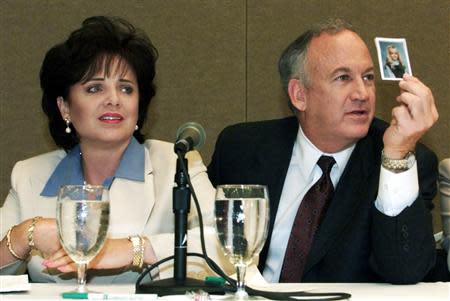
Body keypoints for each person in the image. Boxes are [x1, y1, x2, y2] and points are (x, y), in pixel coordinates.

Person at [208, 19, 439, 284]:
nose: (362, 93)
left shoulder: (403, 162)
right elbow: (199, 243)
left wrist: (398, 154)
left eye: (368, 77)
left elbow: (405, 271)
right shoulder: (240, 148)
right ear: (299, 95)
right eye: (343, 78)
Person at [0, 16, 228, 284]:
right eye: (95, 88)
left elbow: (230, 246)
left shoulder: (177, 163)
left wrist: (132, 249)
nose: (113, 99)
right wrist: (26, 233)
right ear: (64, 108)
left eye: (126, 88)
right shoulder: (29, 175)